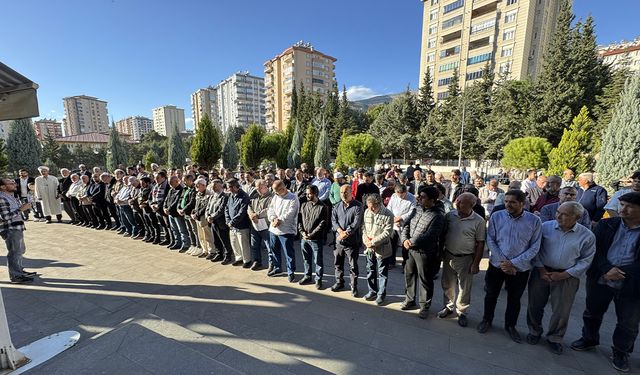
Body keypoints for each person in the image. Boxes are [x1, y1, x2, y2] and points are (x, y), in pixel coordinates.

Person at [571, 192, 640, 372]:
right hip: (601, 277)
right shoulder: (606, 224)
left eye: (629, 206)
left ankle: (621, 351)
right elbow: (595, 250)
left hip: (631, 283)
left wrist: (621, 272)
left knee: (628, 322)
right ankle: (589, 338)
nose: (623, 209)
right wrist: (607, 269)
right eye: (621, 204)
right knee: (592, 312)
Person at [526, 202, 596, 355]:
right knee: (535, 305)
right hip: (541, 272)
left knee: (561, 311)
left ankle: (555, 338)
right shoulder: (545, 227)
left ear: (577, 217)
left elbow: (586, 260)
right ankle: (534, 331)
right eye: (558, 212)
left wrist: (564, 274)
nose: (559, 216)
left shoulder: (587, 235)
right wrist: (541, 269)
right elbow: (535, 249)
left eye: (565, 214)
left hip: (567, 277)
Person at [478, 190, 542, 343]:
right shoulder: (496, 216)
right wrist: (504, 262)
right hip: (496, 265)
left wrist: (513, 263)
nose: (508, 205)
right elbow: (491, 240)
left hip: (520, 269)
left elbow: (535, 247)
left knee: (514, 299)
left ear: (522, 203)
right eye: (506, 201)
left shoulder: (534, 221)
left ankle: (510, 326)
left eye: (512, 202)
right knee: (491, 294)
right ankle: (487, 320)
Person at [438, 193, 486, 327]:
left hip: (466, 258)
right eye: (457, 201)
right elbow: (443, 235)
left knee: (464, 287)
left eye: (461, 203)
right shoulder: (450, 215)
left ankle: (462, 312)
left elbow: (480, 243)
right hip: (448, 255)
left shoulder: (479, 221)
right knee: (447, 284)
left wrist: (476, 263)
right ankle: (448, 307)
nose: (457, 204)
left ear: (472, 205)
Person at [401, 186, 446, 319]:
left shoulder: (438, 215)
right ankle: (409, 300)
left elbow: (431, 235)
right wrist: (404, 239)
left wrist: (412, 242)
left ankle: (424, 306)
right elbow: (406, 225)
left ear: (432, 200)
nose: (419, 199)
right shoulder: (417, 209)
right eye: (419, 196)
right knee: (409, 275)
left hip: (424, 252)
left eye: (423, 197)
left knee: (425, 279)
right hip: (409, 249)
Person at [0, 178, 36, 283]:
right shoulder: (1, 198)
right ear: (2, 187)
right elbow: (5, 217)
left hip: (17, 227)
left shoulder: (10, 196)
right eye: (10, 183)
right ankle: (15, 276)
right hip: (10, 228)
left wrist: (22, 207)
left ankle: (19, 271)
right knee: (14, 252)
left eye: (13, 182)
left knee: (19, 251)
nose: (14, 184)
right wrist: (21, 209)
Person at [362, 193, 394, 306]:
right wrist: (365, 239)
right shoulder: (367, 212)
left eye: (372, 207)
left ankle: (381, 294)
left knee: (382, 273)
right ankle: (372, 291)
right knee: (370, 270)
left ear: (379, 204)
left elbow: (387, 233)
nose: (370, 209)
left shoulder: (388, 214)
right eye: (368, 206)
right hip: (369, 248)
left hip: (382, 249)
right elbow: (364, 228)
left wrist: (373, 242)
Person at [331, 184, 363, 296]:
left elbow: (356, 223)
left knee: (353, 266)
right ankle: (339, 282)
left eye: (346, 192)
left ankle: (353, 286)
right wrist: (340, 231)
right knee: (338, 263)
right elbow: (333, 221)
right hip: (339, 241)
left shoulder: (358, 206)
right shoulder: (337, 206)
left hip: (352, 242)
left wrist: (346, 233)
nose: (343, 195)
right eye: (341, 193)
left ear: (351, 193)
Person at [267, 180, 300, 282]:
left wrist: (279, 220)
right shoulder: (276, 197)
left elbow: (291, 213)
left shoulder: (293, 198)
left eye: (277, 191)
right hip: (274, 228)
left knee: (288, 252)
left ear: (283, 188)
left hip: (286, 230)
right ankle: (277, 268)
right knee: (274, 249)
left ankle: (291, 272)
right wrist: (273, 219)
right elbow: (270, 209)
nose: (275, 193)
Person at [298, 185, 329, 289]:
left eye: (309, 193)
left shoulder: (323, 207)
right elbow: (299, 221)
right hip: (304, 238)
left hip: (316, 239)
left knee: (318, 260)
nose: (307, 195)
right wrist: (302, 232)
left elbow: (323, 224)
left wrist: (311, 235)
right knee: (306, 259)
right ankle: (307, 276)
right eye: (306, 193)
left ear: (315, 194)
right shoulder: (304, 205)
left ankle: (318, 279)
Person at [387, 184, 416, 268]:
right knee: (392, 244)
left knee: (405, 246)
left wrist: (401, 218)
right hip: (394, 224)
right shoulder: (394, 196)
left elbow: (412, 211)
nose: (400, 196)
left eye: (402, 194)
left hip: (405, 225)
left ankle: (406, 265)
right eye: (398, 194)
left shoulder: (412, 198)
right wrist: (394, 219)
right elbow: (389, 208)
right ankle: (391, 262)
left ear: (406, 192)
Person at [225, 179, 252, 267]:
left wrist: (232, 222)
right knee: (234, 243)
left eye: (230, 187)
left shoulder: (244, 196)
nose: (229, 189)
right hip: (232, 226)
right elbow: (226, 208)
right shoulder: (231, 195)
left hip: (242, 225)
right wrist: (228, 221)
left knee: (243, 244)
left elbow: (242, 212)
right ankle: (239, 258)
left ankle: (247, 260)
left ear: (236, 186)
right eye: (228, 187)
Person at [247, 179, 273, 270]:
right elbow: (249, 206)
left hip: (266, 225)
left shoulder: (271, 197)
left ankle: (272, 264)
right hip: (255, 224)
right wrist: (251, 214)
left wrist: (256, 215)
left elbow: (269, 209)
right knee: (255, 245)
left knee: (269, 246)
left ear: (266, 187)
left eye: (259, 188)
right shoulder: (254, 196)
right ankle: (257, 262)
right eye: (256, 188)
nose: (257, 190)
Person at [207, 179, 233, 264]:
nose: (213, 187)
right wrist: (208, 216)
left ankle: (228, 256)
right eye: (212, 185)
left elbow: (221, 210)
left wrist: (212, 217)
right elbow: (208, 207)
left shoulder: (225, 196)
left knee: (224, 240)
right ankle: (219, 254)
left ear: (221, 185)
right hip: (213, 222)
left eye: (215, 185)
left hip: (221, 222)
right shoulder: (212, 196)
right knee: (216, 240)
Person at [164, 175, 190, 251]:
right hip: (170, 214)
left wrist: (168, 209)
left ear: (176, 181)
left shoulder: (180, 190)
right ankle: (177, 242)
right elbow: (166, 199)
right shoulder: (171, 190)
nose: (170, 184)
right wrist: (165, 207)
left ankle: (185, 244)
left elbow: (176, 201)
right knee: (174, 229)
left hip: (176, 213)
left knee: (182, 230)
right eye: (169, 182)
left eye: (171, 182)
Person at [191, 178, 213, 258]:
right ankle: (204, 250)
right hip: (198, 219)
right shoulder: (198, 194)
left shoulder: (208, 194)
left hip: (204, 218)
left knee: (208, 236)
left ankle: (211, 251)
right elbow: (196, 205)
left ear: (203, 185)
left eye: (198, 185)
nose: (196, 186)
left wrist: (197, 214)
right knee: (201, 236)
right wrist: (193, 212)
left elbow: (206, 206)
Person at [179, 175, 200, 256]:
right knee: (189, 230)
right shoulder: (185, 189)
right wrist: (179, 208)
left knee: (195, 230)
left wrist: (183, 210)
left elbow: (192, 202)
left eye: (185, 180)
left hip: (190, 213)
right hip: (185, 213)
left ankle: (198, 246)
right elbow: (181, 198)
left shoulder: (194, 189)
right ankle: (193, 245)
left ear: (190, 180)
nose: (184, 182)